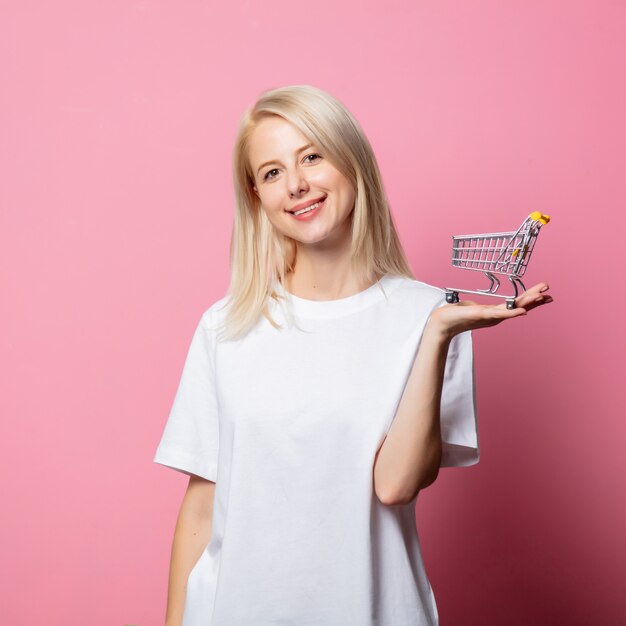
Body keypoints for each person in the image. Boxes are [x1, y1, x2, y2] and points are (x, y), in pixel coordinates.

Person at [153, 84, 553, 626]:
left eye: (311, 157)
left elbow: (395, 485)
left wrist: (437, 335)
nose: (295, 185)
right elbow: (201, 505)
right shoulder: (225, 327)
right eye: (271, 173)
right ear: (257, 199)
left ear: (352, 162)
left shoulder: (430, 316)